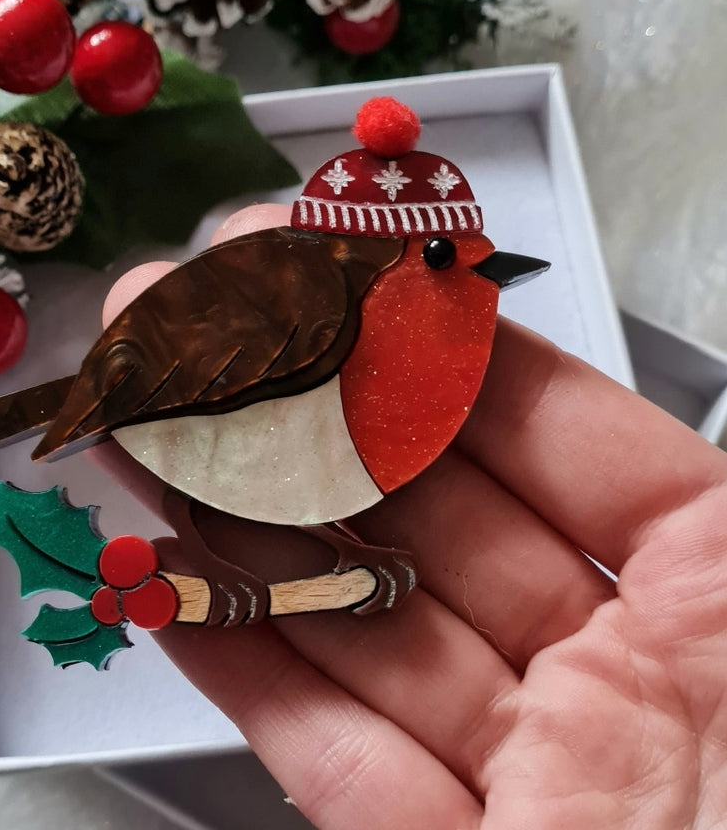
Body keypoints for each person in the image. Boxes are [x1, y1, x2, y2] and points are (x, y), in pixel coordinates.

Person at [98, 203, 727, 829]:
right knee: (260, 482)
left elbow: (304, 485)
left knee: (302, 484)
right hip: (202, 436)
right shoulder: (330, 334)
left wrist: (350, 553)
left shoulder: (421, 376)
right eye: (440, 257)